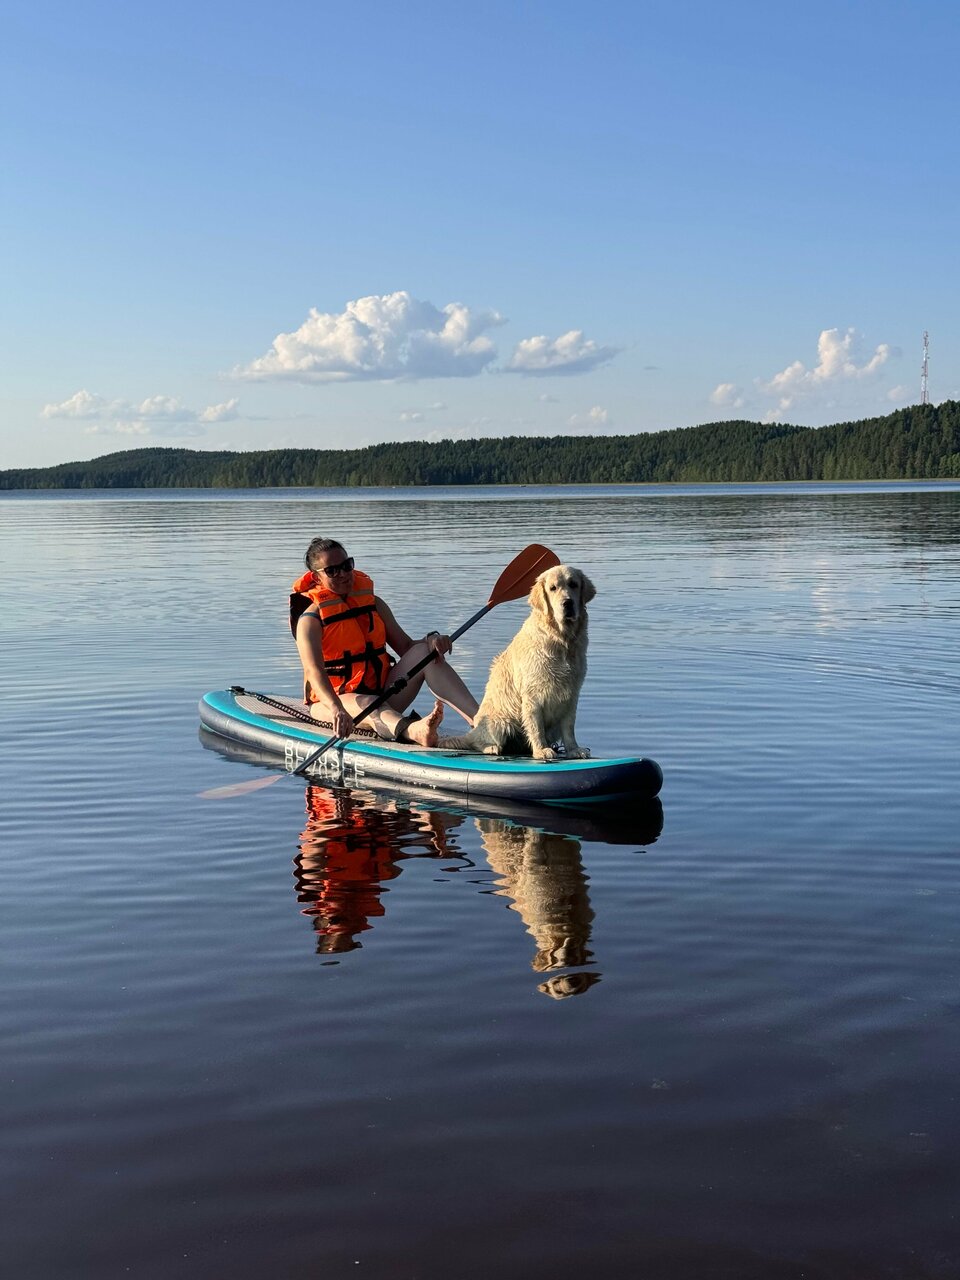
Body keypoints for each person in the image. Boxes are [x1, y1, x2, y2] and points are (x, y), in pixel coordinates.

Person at [290, 537, 479, 747]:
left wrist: (432, 640)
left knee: (426, 654)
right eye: (332, 571)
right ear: (316, 578)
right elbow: (315, 672)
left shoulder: (374, 604)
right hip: (332, 702)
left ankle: (482, 722)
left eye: (346, 566)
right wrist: (336, 709)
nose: (342, 574)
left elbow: (407, 647)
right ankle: (414, 731)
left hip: (382, 693)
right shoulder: (310, 621)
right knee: (367, 703)